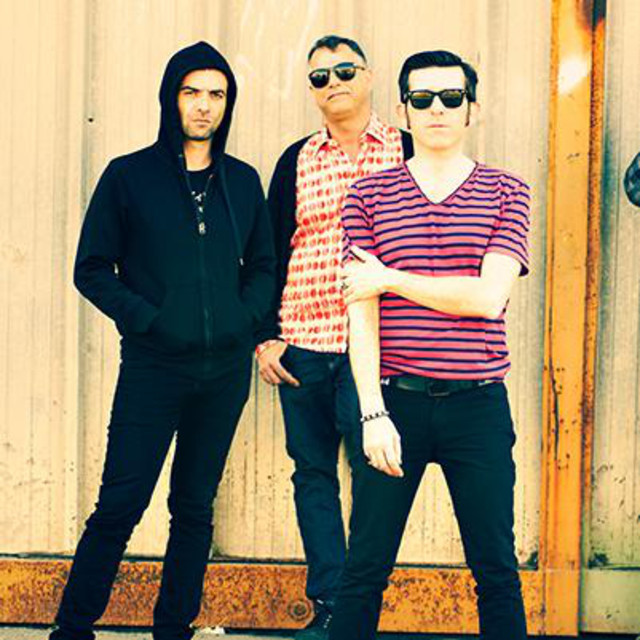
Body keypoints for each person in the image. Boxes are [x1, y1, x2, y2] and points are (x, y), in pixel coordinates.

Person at [50, 41, 275, 640]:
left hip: (224, 373)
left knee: (194, 507)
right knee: (120, 505)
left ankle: (173, 628)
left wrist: (243, 318)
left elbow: (264, 266)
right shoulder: (129, 177)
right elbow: (91, 268)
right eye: (191, 92)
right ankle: (72, 629)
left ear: (228, 104)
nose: (204, 105)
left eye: (216, 95)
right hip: (153, 368)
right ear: (171, 98)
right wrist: (148, 319)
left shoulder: (242, 181)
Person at [329, 50, 531, 640]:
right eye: (422, 99)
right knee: (363, 571)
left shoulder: (506, 192)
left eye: (451, 97)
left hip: (478, 404)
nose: (437, 109)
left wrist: (389, 277)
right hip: (396, 403)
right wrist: (372, 412)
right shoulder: (367, 197)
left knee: (497, 571)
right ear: (403, 112)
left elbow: (487, 298)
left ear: (472, 108)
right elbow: (360, 312)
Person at [255, 35, 412, 639]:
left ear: (368, 76)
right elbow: (269, 251)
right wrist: (266, 336)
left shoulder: (407, 148)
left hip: (379, 346)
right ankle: (329, 607)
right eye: (320, 76)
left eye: (345, 70)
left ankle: (360, 607)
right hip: (303, 343)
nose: (334, 83)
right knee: (312, 473)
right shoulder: (296, 159)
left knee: (376, 475)